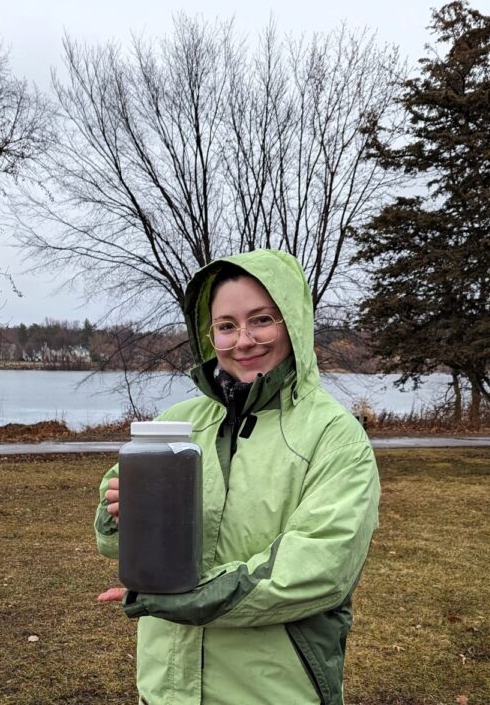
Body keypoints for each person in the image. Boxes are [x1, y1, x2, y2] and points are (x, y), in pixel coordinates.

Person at [94, 249, 380, 705]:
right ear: (210, 336)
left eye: (261, 319)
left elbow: (320, 569)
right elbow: (113, 542)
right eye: (226, 325)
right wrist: (121, 515)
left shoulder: (332, 434)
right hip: (167, 688)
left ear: (293, 324)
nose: (243, 340)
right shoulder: (179, 422)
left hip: (273, 689)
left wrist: (180, 599)